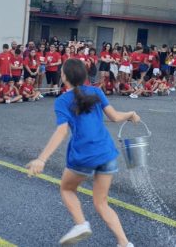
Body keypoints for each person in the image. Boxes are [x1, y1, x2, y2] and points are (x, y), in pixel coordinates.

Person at [26, 59, 138, 247]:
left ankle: (81, 224)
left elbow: (62, 131)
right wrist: (131, 113)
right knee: (101, 203)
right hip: (106, 152)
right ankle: (124, 243)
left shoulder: (62, 100)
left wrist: (41, 159)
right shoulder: (95, 91)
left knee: (67, 189)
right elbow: (116, 116)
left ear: (64, 77)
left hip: (84, 154)